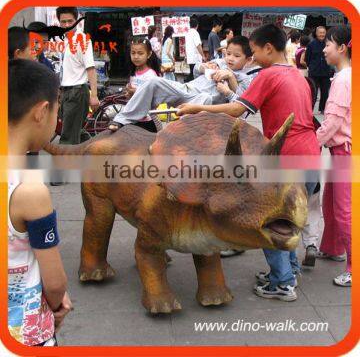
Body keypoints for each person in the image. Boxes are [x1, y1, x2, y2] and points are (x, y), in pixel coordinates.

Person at [178, 24, 321, 301]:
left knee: (268, 216)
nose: (252, 58)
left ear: (269, 48)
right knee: (288, 216)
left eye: (253, 52)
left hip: (286, 156)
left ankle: (281, 284)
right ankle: (289, 272)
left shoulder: (268, 75)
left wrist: (198, 108)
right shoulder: (297, 75)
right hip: (309, 151)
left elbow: (236, 109)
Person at [8, 59, 72, 346]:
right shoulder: (29, 191)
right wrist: (57, 304)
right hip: (24, 331)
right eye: (57, 109)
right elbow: (55, 282)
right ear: (42, 111)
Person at [108, 36, 254, 131]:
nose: (230, 58)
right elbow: (196, 70)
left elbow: (241, 108)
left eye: (236, 56)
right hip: (187, 89)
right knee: (153, 82)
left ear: (248, 60)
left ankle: (180, 134)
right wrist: (204, 67)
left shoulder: (247, 79)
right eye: (228, 53)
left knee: (206, 98)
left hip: (203, 103)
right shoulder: (219, 62)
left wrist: (230, 81)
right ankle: (122, 119)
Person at [316, 25, 352, 287]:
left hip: (345, 153)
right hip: (340, 151)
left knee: (344, 211)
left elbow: (333, 122)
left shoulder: (343, 79)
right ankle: (332, 247)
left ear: (342, 48)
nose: (324, 49)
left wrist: (311, 142)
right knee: (330, 203)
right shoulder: (345, 76)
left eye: (328, 44)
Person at [56, 6, 99, 145]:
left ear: (77, 20)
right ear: (59, 22)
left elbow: (91, 69)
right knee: (75, 131)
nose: (67, 25)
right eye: (63, 22)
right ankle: (92, 154)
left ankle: (66, 166)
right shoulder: (65, 40)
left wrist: (94, 96)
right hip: (66, 91)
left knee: (67, 137)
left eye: (70, 21)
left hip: (77, 92)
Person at [305, 26, 332, 114]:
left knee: (325, 92)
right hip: (314, 72)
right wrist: (312, 66)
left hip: (325, 72)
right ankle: (310, 109)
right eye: (320, 33)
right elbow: (307, 58)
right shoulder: (311, 44)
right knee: (313, 92)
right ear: (316, 34)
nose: (322, 34)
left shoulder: (328, 44)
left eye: (323, 33)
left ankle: (322, 108)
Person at [185, 17, 205, 82]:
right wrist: (203, 56)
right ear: (197, 25)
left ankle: (187, 82)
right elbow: (198, 45)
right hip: (195, 58)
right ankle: (186, 82)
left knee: (192, 73)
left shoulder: (187, 33)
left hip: (190, 57)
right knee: (195, 74)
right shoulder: (195, 33)